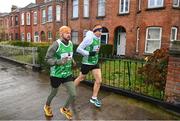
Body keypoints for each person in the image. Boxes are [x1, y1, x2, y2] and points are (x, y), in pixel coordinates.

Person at [43, 26, 76, 120]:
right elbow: (47, 59)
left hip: (67, 74)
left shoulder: (70, 43)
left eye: (70, 32)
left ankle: (65, 109)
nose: (69, 34)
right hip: (56, 74)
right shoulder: (56, 44)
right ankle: (47, 106)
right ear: (61, 34)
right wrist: (58, 62)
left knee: (73, 94)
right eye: (66, 33)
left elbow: (69, 54)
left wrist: (72, 60)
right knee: (54, 93)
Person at [74, 24, 103, 108]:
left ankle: (94, 98)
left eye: (101, 31)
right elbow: (78, 49)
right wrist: (89, 53)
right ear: (95, 31)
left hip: (95, 63)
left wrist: (96, 51)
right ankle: (71, 91)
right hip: (86, 63)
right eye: (100, 31)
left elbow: (96, 48)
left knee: (99, 80)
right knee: (81, 78)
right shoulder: (88, 38)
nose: (101, 33)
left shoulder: (98, 38)